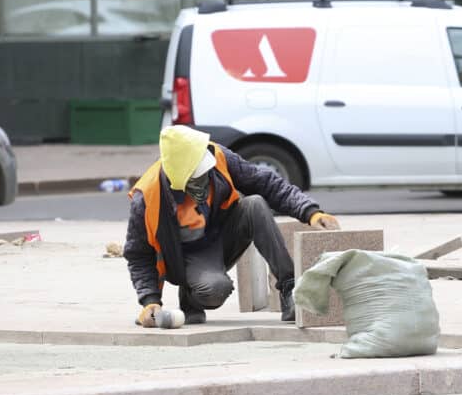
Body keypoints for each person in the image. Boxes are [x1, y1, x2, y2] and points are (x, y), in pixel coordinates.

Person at [123, 125, 340, 326]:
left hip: (221, 234)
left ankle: (290, 290)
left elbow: (267, 183)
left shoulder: (216, 156)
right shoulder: (147, 197)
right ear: (183, 178)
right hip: (186, 257)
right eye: (199, 175)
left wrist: (310, 212)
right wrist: (150, 301)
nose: (208, 175)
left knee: (254, 204)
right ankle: (191, 294)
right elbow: (138, 254)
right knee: (215, 290)